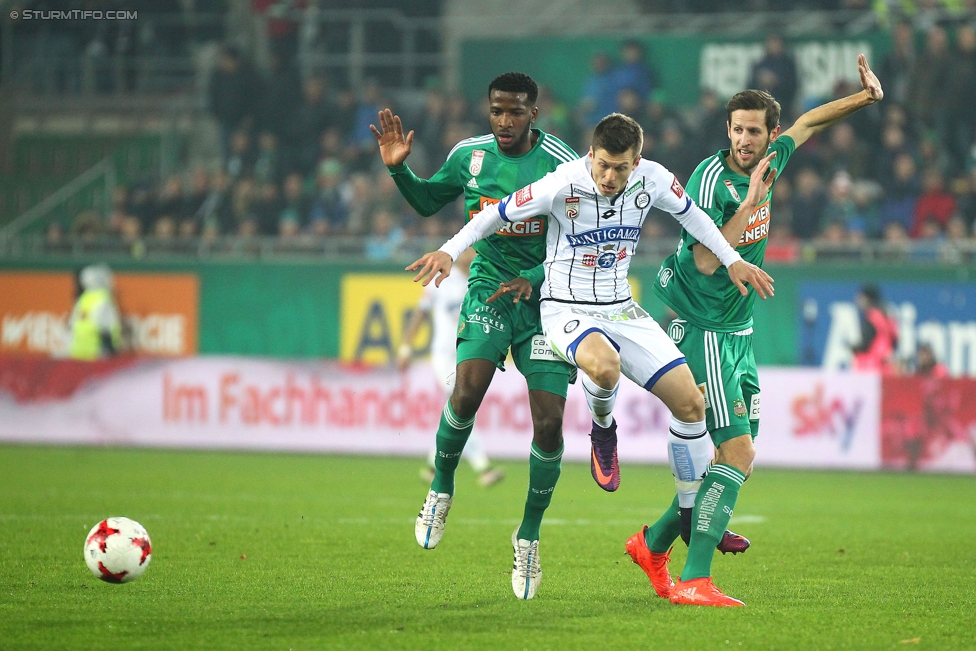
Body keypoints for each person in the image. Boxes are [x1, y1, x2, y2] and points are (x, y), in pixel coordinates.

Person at [407, 112, 774, 601]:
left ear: (636, 161)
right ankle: (603, 425)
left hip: (621, 308)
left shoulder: (654, 179)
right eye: (602, 165)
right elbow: (495, 215)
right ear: (590, 156)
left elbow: (695, 219)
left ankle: (687, 512)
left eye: (620, 168)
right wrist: (450, 251)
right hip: (564, 309)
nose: (609, 178)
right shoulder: (563, 181)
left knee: (691, 405)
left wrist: (734, 260)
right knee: (604, 366)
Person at [636, 53, 884, 607]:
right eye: (738, 130)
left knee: (736, 456)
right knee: (738, 453)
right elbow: (704, 259)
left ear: (769, 134)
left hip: (735, 327)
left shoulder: (772, 157)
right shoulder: (712, 178)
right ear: (727, 130)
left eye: (755, 131)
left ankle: (652, 541)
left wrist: (865, 98)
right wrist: (748, 206)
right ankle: (695, 577)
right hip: (702, 326)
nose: (745, 140)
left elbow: (810, 122)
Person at [370, 72, 579, 601]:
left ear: (535, 113)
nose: (504, 122)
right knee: (465, 390)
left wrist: (531, 280)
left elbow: (578, 246)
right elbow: (425, 202)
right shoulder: (470, 156)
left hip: (545, 297)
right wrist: (400, 172)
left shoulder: (565, 164)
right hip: (488, 286)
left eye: (515, 112)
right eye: (496, 111)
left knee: (550, 423)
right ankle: (441, 487)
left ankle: (528, 535)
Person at [397, 247, 505, 488]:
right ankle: (483, 467)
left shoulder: (484, 281)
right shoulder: (441, 279)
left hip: (470, 355)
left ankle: (431, 465)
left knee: (456, 408)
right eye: (470, 250)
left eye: (477, 252)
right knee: (462, 404)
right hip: (444, 355)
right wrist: (406, 347)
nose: (473, 255)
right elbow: (420, 314)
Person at [68, 264, 123, 361]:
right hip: (96, 355)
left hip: (78, 354)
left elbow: (71, 325)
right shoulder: (103, 300)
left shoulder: (83, 299)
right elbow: (106, 330)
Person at [852, 284, 899, 373]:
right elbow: (895, 339)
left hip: (872, 367)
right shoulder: (887, 317)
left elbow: (865, 344)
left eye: (860, 297)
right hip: (887, 367)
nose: (858, 300)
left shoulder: (872, 317)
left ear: (867, 298)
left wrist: (853, 347)